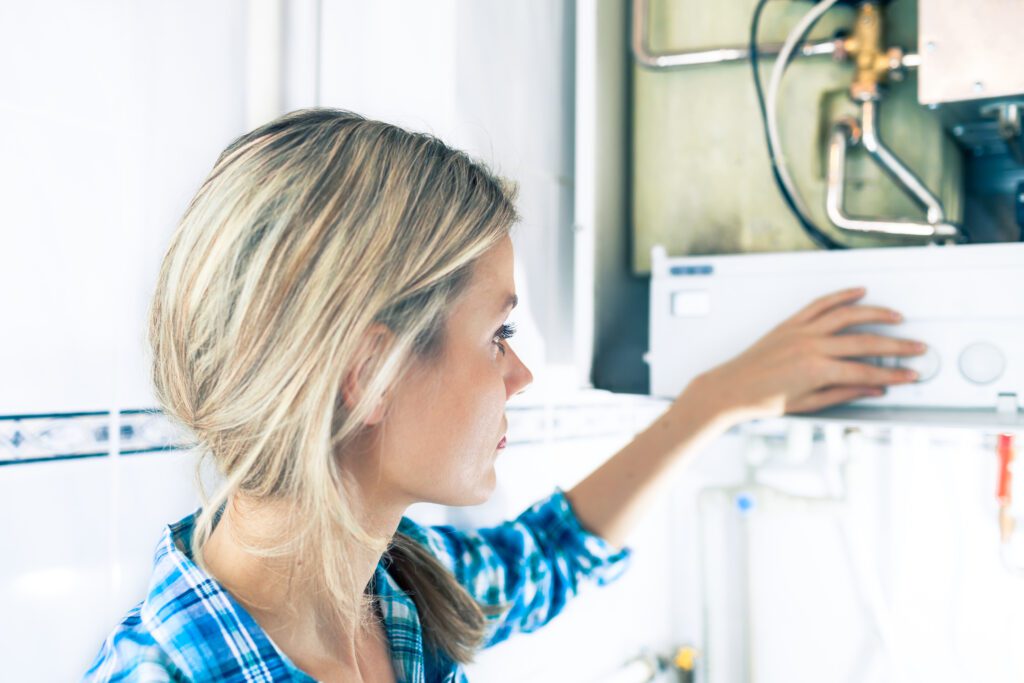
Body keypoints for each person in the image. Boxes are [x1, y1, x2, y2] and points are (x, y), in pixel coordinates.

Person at [84, 108, 923, 683]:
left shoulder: (396, 589)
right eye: (498, 337)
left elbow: (553, 552)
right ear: (365, 372)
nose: (517, 375)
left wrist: (715, 400)